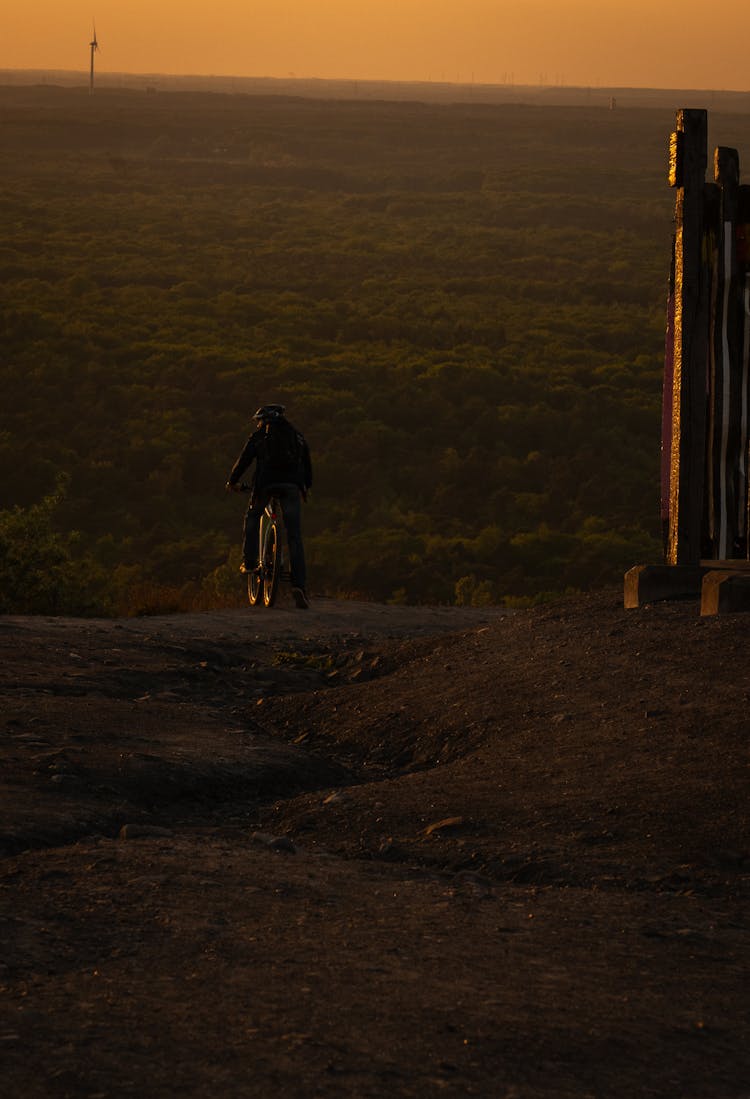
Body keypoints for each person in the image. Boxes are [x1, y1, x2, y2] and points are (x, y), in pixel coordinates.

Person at [226, 404, 313, 609]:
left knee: (253, 516)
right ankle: (299, 585)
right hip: (292, 487)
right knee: (294, 536)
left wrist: (232, 482)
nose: (258, 423)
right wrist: (305, 488)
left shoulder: (259, 437)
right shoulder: (297, 436)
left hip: (265, 485)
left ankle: (249, 562)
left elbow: (243, 461)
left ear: (264, 420)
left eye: (259, 420)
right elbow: (307, 465)